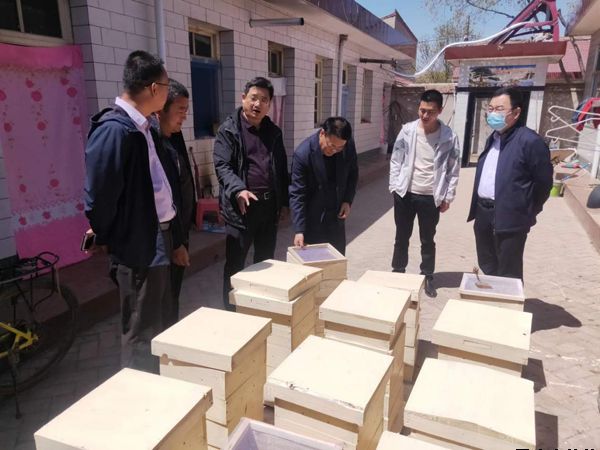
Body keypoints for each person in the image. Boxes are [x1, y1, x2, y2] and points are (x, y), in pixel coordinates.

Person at [84, 50, 187, 372]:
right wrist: (112, 236)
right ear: (154, 88)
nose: (168, 95)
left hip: (157, 239)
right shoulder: (115, 130)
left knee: (158, 321)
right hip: (138, 245)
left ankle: (158, 383)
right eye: (167, 87)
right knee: (141, 331)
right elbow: (99, 199)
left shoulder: (141, 126)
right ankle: (139, 391)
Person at [213, 77, 289, 311]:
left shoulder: (274, 132)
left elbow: (281, 169)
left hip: (268, 208)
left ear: (269, 105)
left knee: (265, 261)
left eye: (264, 100)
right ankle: (231, 311)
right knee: (235, 264)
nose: (258, 104)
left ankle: (258, 308)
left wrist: (284, 203)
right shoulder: (228, 130)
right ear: (243, 98)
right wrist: (239, 189)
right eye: (254, 98)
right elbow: (222, 166)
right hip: (242, 209)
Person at [467, 86, 553, 280]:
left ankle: (509, 298)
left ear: (516, 112)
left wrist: (527, 211)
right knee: (488, 264)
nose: (492, 114)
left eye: (499, 109)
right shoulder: (493, 138)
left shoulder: (530, 141)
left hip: (511, 219)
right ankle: (494, 296)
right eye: (490, 109)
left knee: (509, 272)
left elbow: (543, 184)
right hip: (484, 214)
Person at [389, 89, 460, 298]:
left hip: (431, 196)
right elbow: (396, 159)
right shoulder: (408, 131)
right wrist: (394, 186)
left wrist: (448, 196)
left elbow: (453, 169)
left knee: (427, 239)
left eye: (430, 111)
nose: (425, 115)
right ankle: (398, 272)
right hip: (405, 194)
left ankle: (427, 276)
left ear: (440, 111)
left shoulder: (449, 137)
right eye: (422, 110)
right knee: (401, 236)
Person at [155, 78, 195, 327]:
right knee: (162, 305)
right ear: (161, 108)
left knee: (172, 298)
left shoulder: (173, 137)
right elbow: (164, 200)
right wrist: (177, 242)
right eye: (180, 110)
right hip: (165, 239)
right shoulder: (151, 144)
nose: (184, 117)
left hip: (179, 233)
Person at [289, 117, 358, 255]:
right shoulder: (303, 154)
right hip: (313, 220)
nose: (335, 150)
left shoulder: (347, 145)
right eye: (332, 146)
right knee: (314, 263)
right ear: (322, 133)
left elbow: (353, 174)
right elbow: (297, 194)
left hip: (336, 218)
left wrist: (347, 200)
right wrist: (299, 230)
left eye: (340, 148)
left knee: (336, 261)